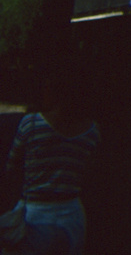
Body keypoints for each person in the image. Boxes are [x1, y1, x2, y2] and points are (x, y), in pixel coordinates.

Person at [3, 76, 99, 255]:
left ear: (55, 93)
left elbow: (11, 167)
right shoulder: (92, 132)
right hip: (73, 217)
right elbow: (89, 174)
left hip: (35, 214)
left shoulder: (30, 123)